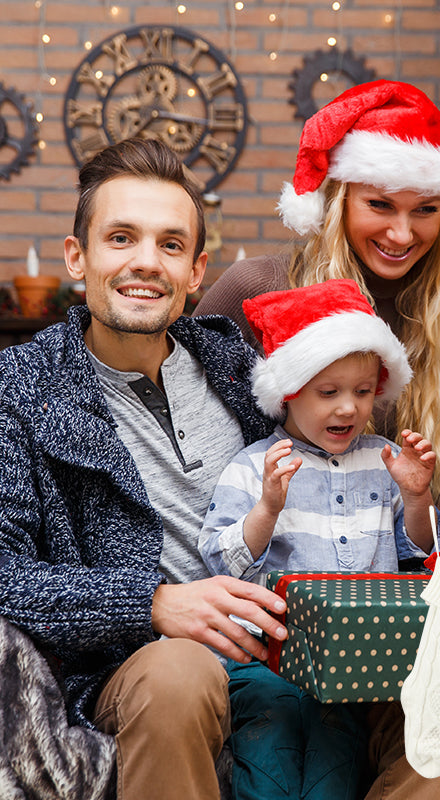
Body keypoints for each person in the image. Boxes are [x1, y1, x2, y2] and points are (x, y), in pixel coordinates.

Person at [0, 137, 290, 800]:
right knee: (179, 675)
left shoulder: (242, 372)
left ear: (196, 271)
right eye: (121, 237)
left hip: (275, 651)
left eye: (169, 244)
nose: (144, 263)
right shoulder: (21, 388)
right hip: (134, 670)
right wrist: (152, 605)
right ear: (79, 257)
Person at [200, 278, 440, 800]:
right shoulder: (254, 466)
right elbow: (221, 561)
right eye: (327, 393)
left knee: (335, 770)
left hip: (359, 664)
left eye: (362, 392)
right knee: (268, 763)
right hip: (267, 660)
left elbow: (423, 558)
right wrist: (267, 508)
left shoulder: (384, 460)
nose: (348, 409)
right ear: (288, 392)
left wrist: (418, 499)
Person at [194, 79, 440, 512]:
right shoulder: (256, 287)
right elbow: (180, 426)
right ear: (339, 201)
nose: (402, 234)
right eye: (380, 205)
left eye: (425, 209)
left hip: (393, 574)